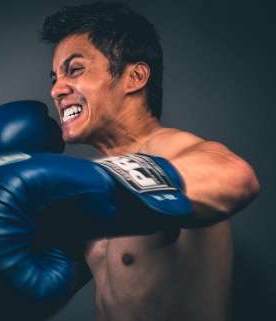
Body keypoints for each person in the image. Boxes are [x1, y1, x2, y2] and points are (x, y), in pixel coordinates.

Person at [38, 2, 260, 321]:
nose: (56, 90)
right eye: (55, 77)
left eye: (74, 69)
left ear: (135, 76)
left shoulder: (171, 149)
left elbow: (237, 177)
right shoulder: (95, 188)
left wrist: (101, 184)